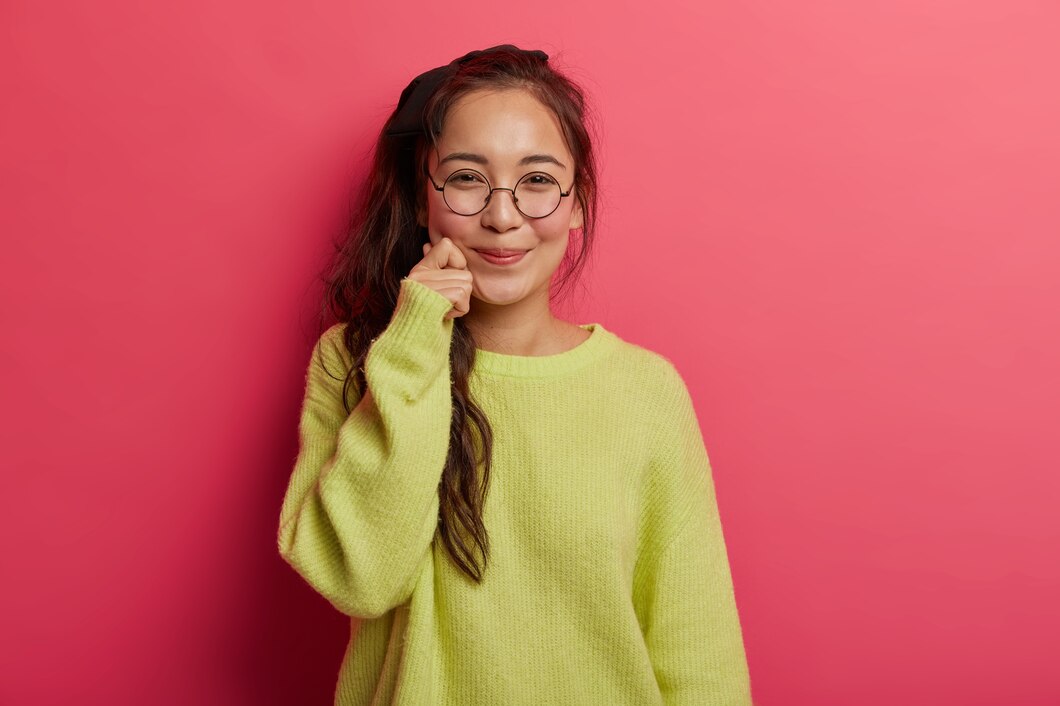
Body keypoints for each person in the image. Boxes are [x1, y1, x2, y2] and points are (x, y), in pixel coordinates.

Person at [276, 43, 754, 705]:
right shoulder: (359, 363)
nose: (503, 217)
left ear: (577, 202)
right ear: (425, 200)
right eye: (469, 178)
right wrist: (414, 340)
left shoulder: (646, 391)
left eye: (536, 181)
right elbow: (359, 578)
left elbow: (699, 649)